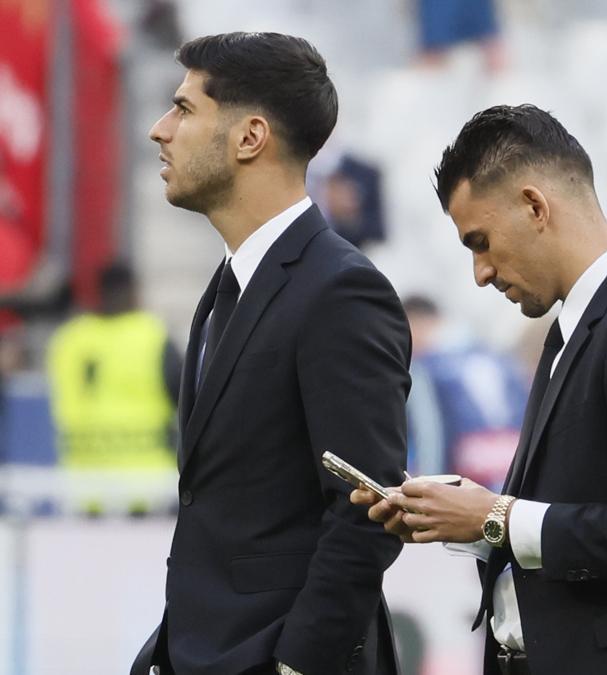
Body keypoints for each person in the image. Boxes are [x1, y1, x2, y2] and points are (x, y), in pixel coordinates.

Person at [354, 105, 607, 675]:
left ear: (535, 206)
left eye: (480, 242)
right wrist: (457, 514)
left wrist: (495, 518)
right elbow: (579, 511)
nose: (480, 272)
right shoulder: (576, 329)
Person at [133, 33, 410, 675]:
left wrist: (295, 665)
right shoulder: (228, 285)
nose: (159, 129)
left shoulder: (341, 290)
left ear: (250, 137)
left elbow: (366, 512)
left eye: (184, 109)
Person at [45, 262, 182, 514]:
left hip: (83, 490)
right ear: (134, 291)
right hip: (147, 488)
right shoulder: (152, 336)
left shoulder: (69, 340)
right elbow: (188, 403)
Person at [403, 294, 527, 490]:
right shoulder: (497, 356)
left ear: (416, 323)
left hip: (462, 480)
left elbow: (430, 433)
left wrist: (427, 483)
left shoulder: (426, 367)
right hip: (512, 474)